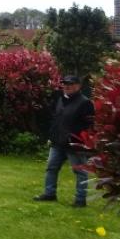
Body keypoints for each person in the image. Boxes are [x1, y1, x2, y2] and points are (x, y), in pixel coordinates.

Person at [34, 74, 95, 207]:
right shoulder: (60, 99)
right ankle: (49, 194)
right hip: (57, 142)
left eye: (70, 84)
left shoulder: (85, 103)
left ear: (78, 86)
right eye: (65, 84)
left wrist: (80, 141)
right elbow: (56, 120)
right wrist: (51, 136)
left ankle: (80, 200)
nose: (67, 86)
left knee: (80, 172)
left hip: (74, 144)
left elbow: (89, 126)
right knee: (51, 168)